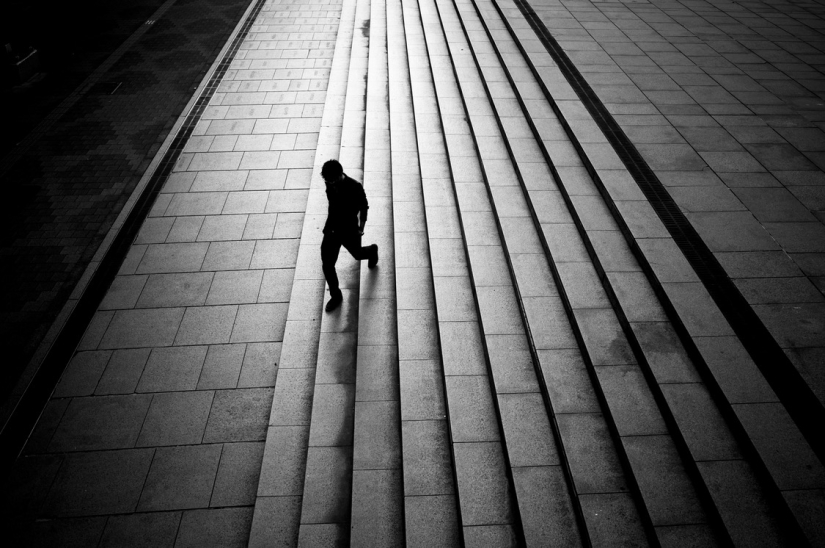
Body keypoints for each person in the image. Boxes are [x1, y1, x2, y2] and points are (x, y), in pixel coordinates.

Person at [320, 159, 378, 312]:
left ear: (340, 175)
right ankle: (336, 295)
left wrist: (361, 227)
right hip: (332, 229)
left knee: (358, 254)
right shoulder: (329, 182)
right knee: (327, 264)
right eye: (327, 180)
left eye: (331, 180)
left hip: (349, 229)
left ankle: (372, 251)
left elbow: (364, 207)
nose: (329, 183)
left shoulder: (354, 187)